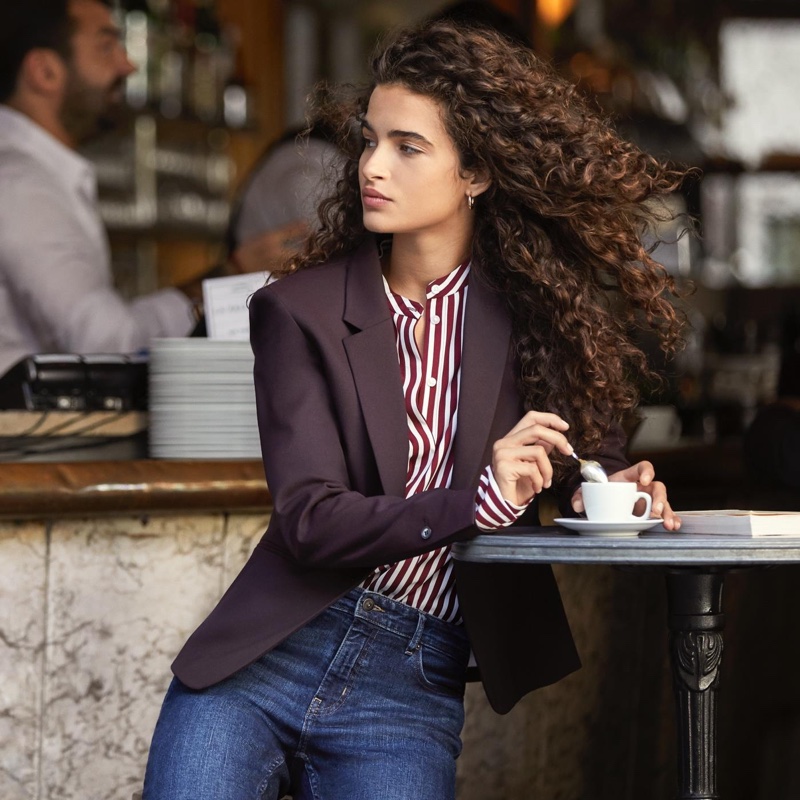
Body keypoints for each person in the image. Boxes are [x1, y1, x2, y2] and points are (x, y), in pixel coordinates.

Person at [143, 19, 684, 800]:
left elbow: (576, 466)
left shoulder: (534, 318)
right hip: (266, 661)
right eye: (370, 141)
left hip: (410, 684)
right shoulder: (298, 312)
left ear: (476, 175)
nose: (372, 166)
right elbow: (311, 519)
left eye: (407, 147)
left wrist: (621, 490)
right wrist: (481, 499)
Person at [0, 0, 208, 377]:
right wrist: (222, 283)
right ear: (44, 71)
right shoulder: (20, 183)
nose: (128, 65)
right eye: (106, 46)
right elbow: (109, 344)